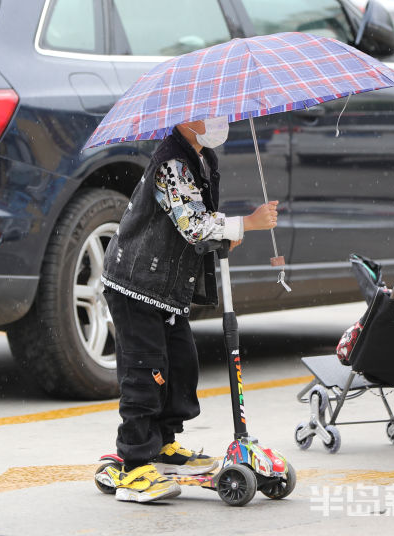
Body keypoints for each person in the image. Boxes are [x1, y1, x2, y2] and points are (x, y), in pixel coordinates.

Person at [100, 116, 278, 503]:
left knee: (180, 368)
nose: (217, 121)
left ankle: (163, 445)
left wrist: (226, 235)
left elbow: (198, 221)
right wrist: (245, 223)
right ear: (183, 118)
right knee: (145, 373)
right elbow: (192, 223)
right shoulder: (171, 163)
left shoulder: (203, 158)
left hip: (167, 289)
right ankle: (133, 463)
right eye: (207, 114)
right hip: (136, 285)